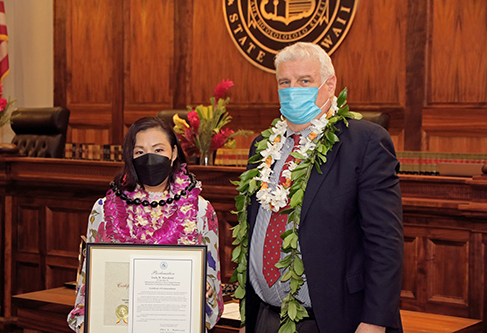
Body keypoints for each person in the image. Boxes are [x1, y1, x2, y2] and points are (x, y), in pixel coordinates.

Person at [241, 42, 404, 332]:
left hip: (332, 321)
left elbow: (385, 243)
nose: (293, 89)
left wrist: (375, 321)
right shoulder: (262, 146)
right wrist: (247, 317)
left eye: (304, 81)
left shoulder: (365, 143)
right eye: (285, 82)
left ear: (330, 85)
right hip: (265, 318)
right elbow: (252, 233)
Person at [67, 116, 224, 332]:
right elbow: (89, 282)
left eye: (158, 150)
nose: (149, 158)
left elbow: (213, 290)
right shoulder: (104, 209)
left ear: (174, 153)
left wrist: (204, 290)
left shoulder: (201, 210)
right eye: (140, 152)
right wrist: (88, 320)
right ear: (130, 156)